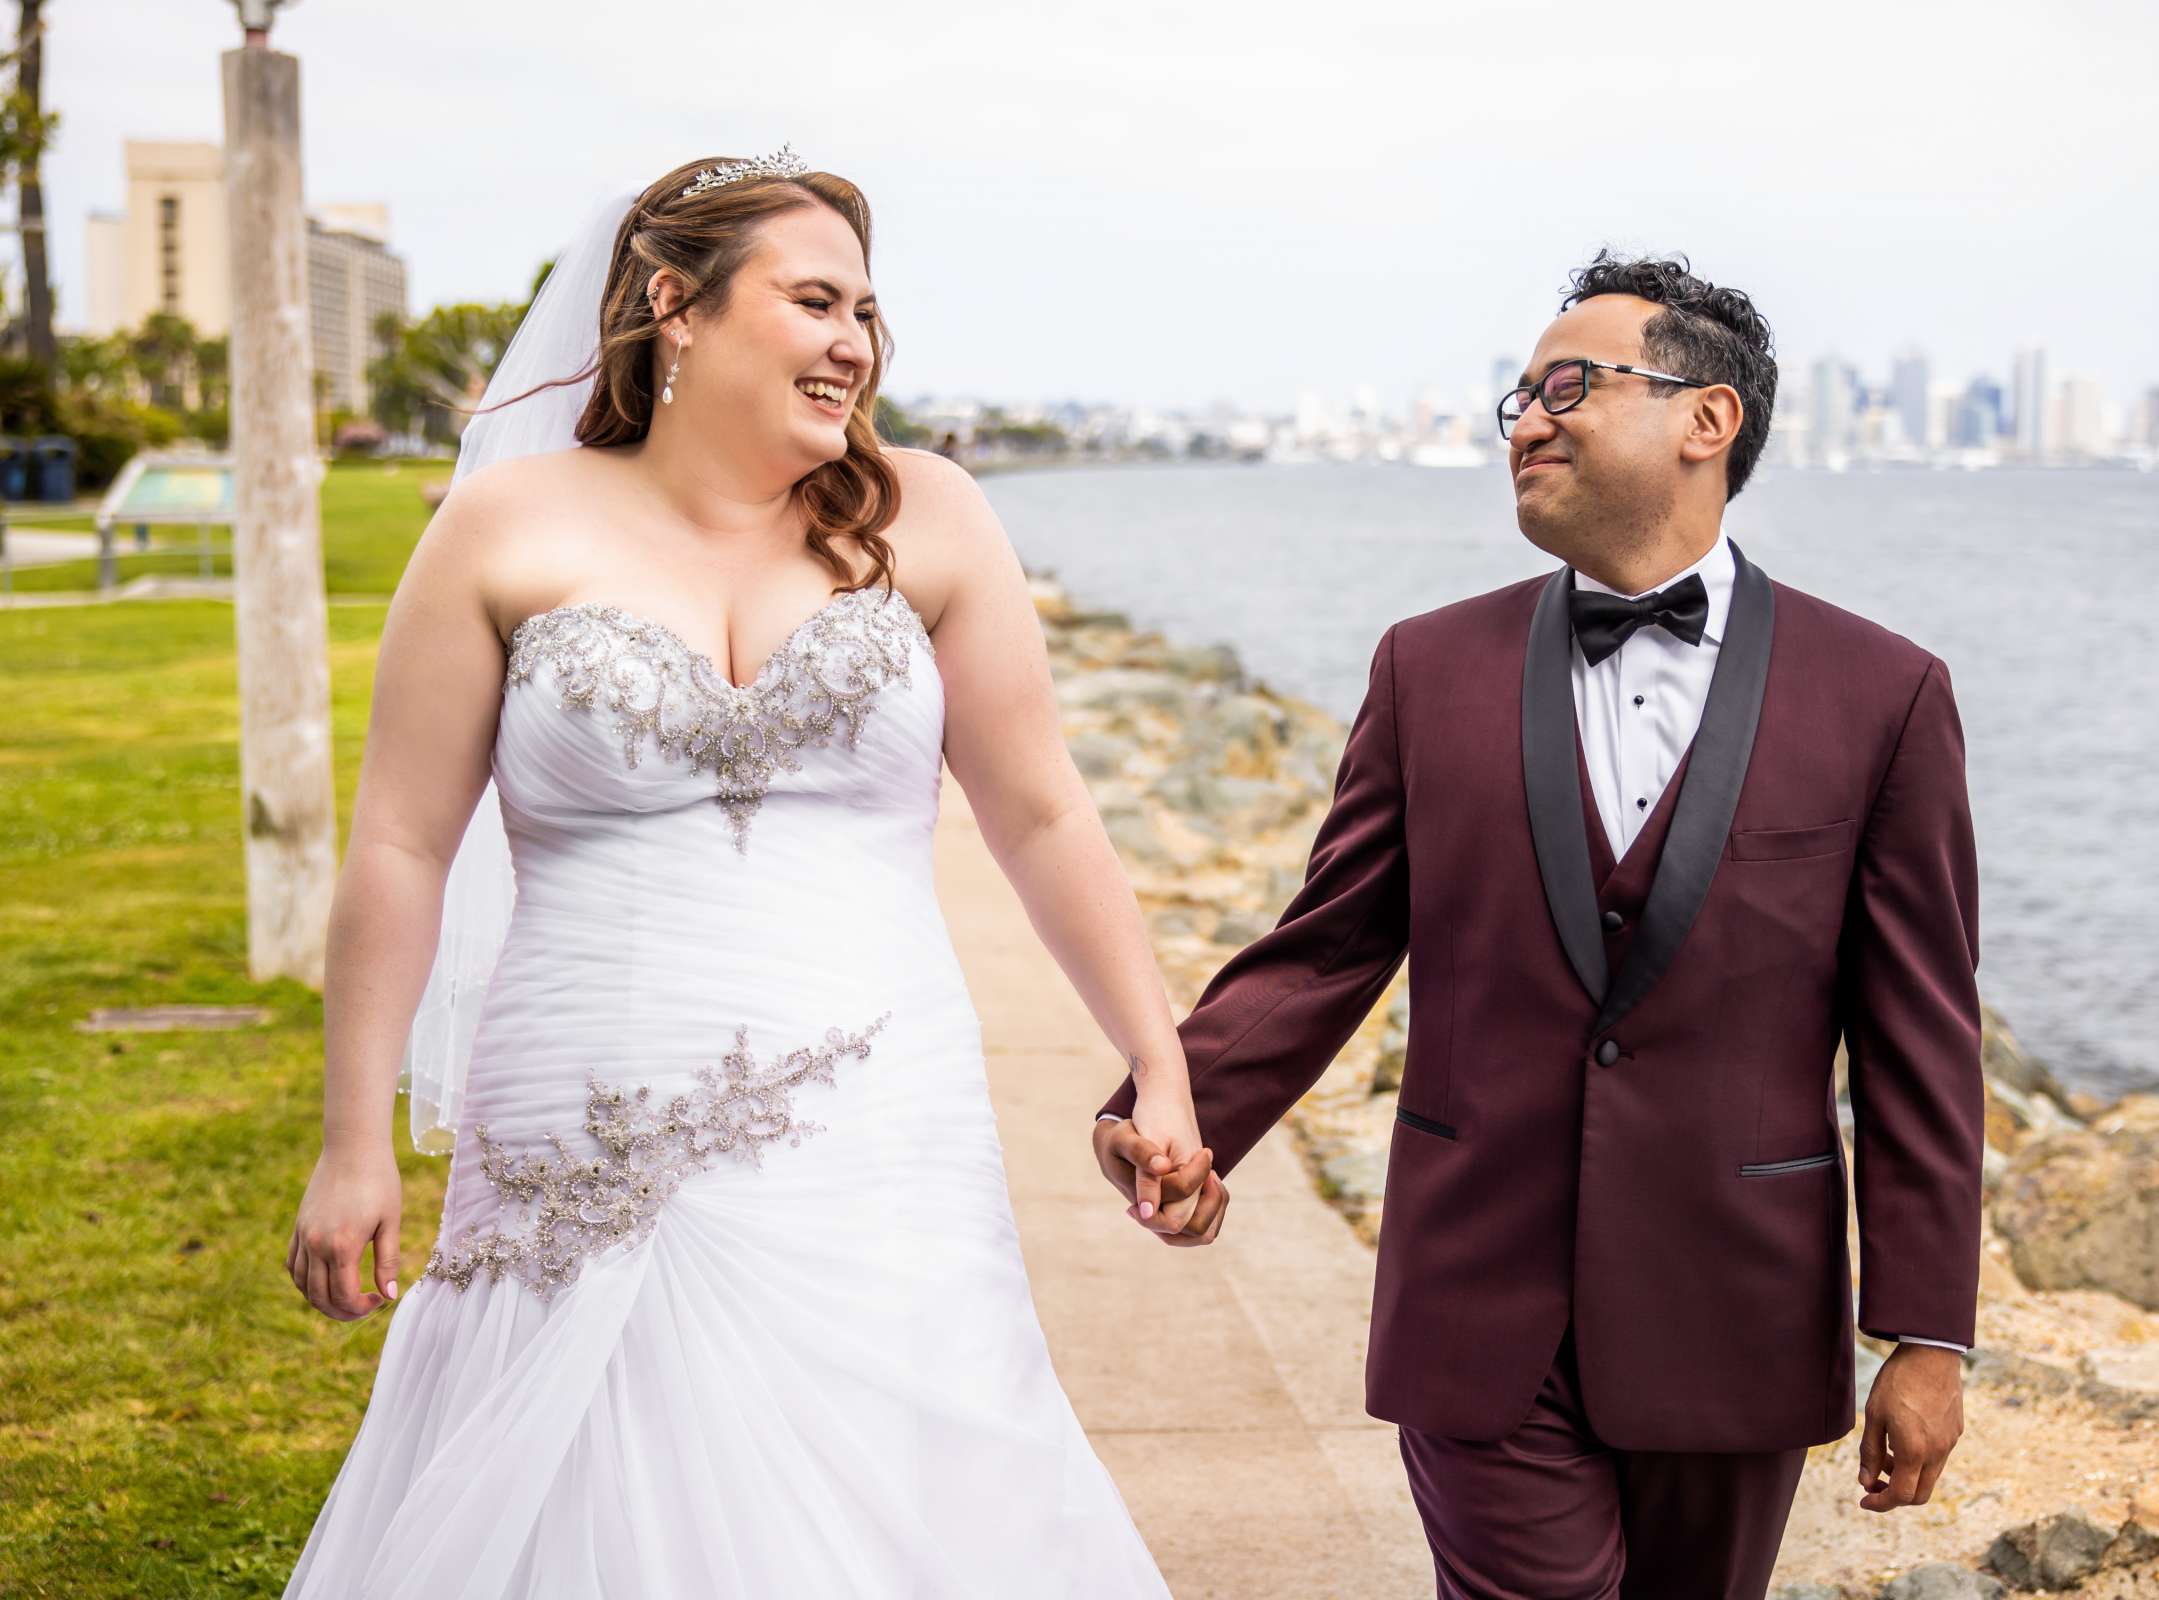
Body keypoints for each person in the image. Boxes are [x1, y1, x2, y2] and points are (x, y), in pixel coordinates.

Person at [281, 150, 1203, 1596]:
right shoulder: (503, 526)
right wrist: (353, 1140)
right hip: (575, 1100)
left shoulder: (933, 514)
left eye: (869, 314)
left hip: (881, 1112)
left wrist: (1158, 1058)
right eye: (817, 301)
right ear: (676, 305)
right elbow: (402, 844)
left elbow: (1041, 814)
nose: (856, 343)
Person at [1093, 251, 1984, 1599]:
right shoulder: (1426, 668)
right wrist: (1177, 1105)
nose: (1526, 420)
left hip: (1733, 1305)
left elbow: (1921, 1035)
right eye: (1515, 396)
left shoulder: (1884, 695)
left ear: (1707, 419)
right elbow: (1329, 943)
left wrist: (1925, 1334)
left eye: (1569, 385)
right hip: (1479, 1299)